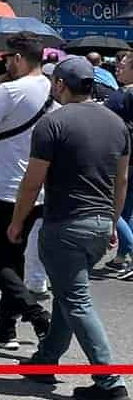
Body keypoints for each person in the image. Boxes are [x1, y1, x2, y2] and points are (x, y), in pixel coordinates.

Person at [10, 56, 130, 400]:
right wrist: (111, 220)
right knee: (67, 293)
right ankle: (46, 360)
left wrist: (17, 221)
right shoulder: (116, 124)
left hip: (64, 223)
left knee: (76, 300)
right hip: (98, 223)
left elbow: (32, 183)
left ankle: (110, 382)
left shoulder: (53, 124)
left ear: (60, 84)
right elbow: (120, 180)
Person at [0, 33, 52, 349]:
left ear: (18, 58)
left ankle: (36, 315)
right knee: (13, 259)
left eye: (7, 59)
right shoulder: (52, 87)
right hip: (39, 190)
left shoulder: (9, 90)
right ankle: (5, 328)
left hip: (5, 188)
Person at [105, 52, 133, 278]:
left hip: (122, 157)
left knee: (112, 206)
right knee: (127, 208)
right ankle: (122, 255)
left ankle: (130, 251)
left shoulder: (119, 96)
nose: (117, 69)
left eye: (122, 66)